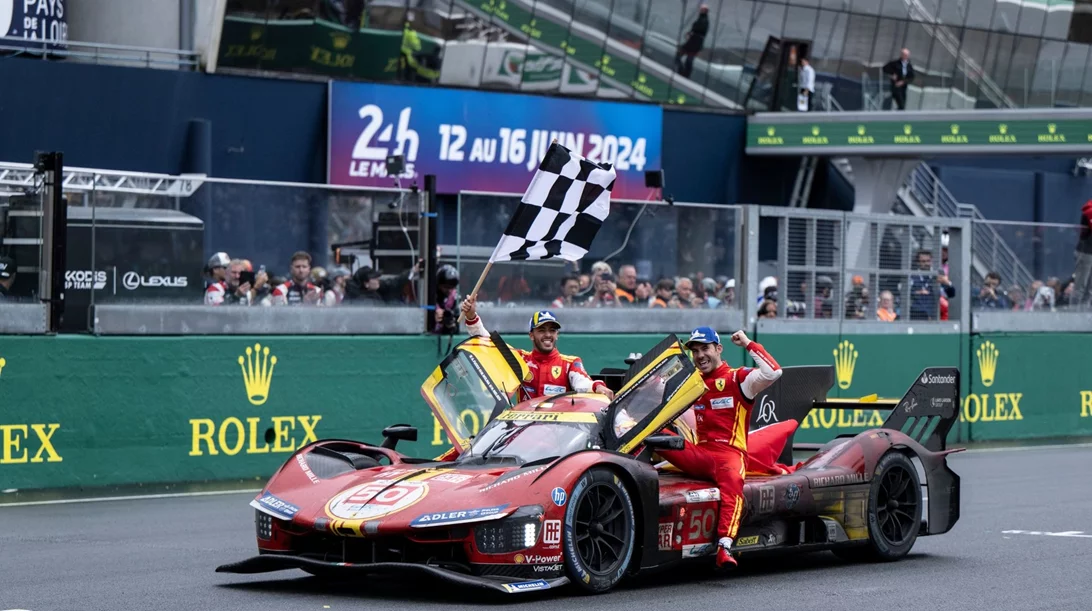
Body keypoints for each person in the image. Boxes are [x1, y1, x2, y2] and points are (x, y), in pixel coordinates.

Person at [656, 327, 783, 570]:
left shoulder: (738, 379)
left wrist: (747, 343)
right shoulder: (692, 383)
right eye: (695, 351)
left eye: (705, 348)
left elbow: (774, 372)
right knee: (654, 436)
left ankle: (725, 546)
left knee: (733, 483)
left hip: (730, 456)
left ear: (719, 349)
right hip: (700, 454)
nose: (700, 355)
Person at [460, 295, 615, 402]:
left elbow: (583, 383)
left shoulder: (570, 363)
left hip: (559, 437)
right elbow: (487, 344)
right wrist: (471, 316)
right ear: (531, 335)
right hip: (525, 435)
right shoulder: (521, 359)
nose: (548, 335)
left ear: (557, 335)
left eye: (552, 331)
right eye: (542, 330)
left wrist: (598, 387)